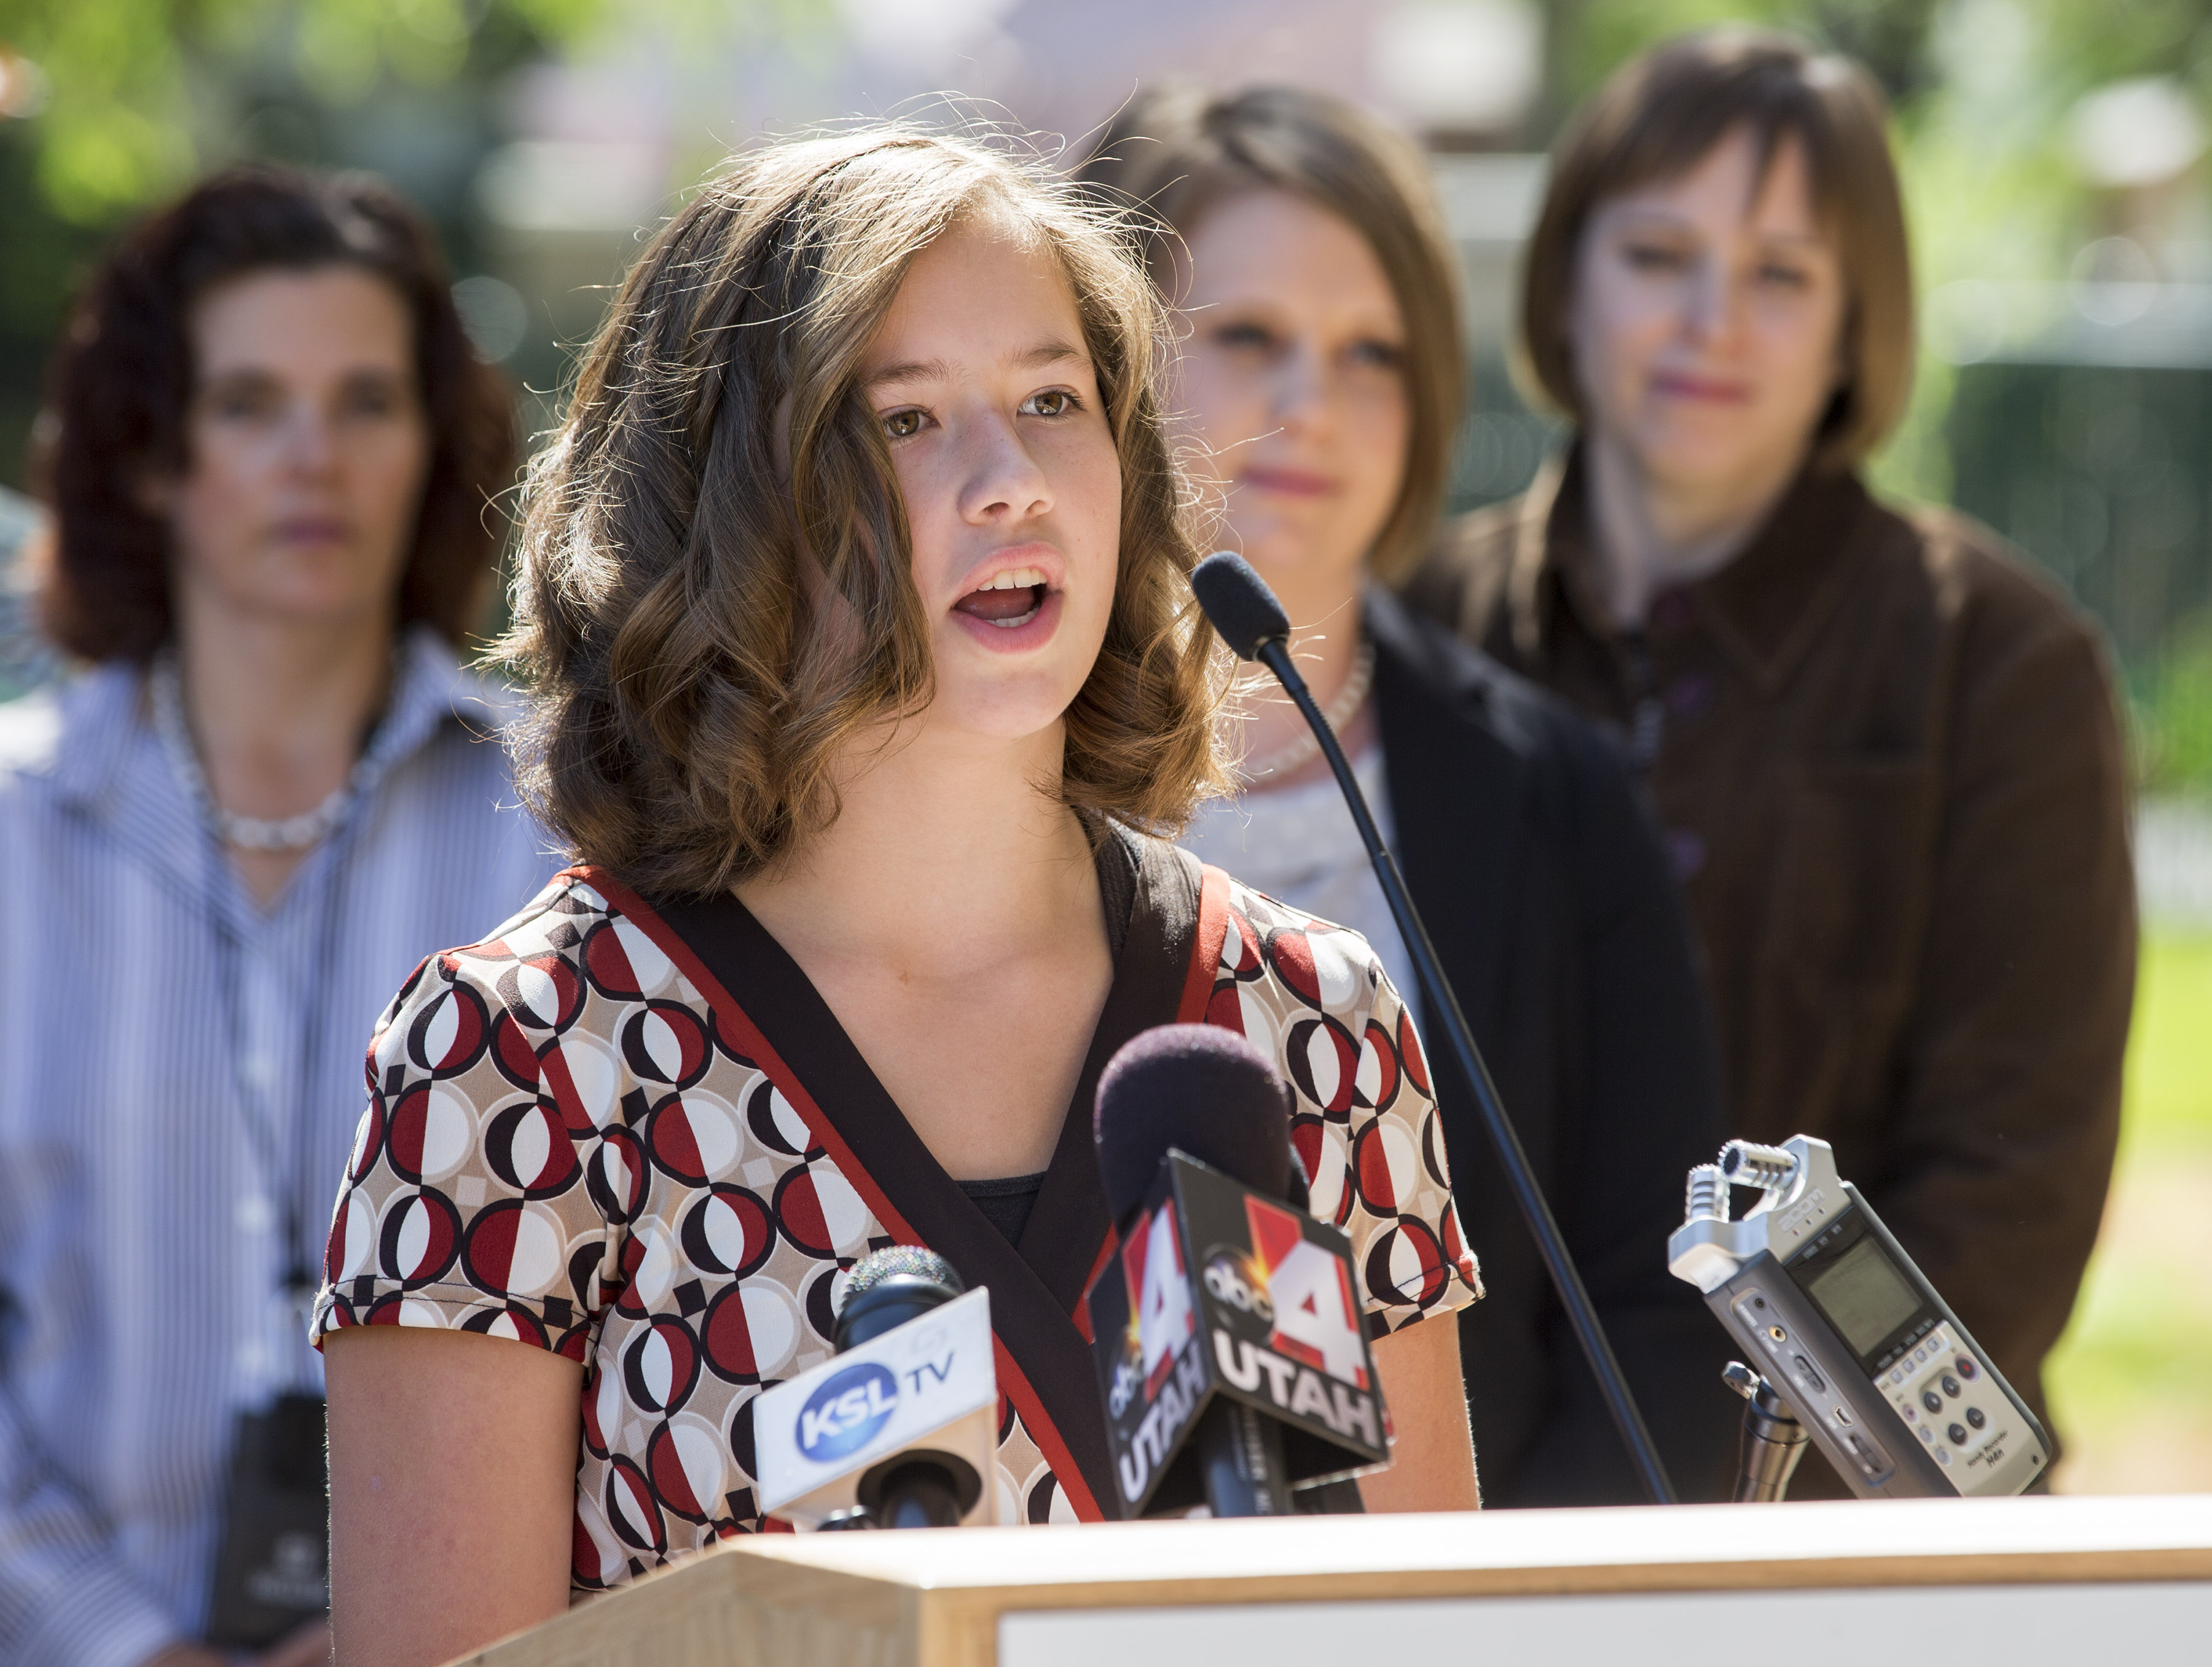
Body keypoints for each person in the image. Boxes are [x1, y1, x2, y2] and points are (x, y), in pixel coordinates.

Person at [318, 126, 1484, 1667]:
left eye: (1053, 400)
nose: (1009, 483)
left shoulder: (1304, 1026)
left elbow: (1432, 1633)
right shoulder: (517, 1063)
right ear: (726, 506)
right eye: (906, 419)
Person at [1405, 29, 2136, 1490]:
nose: (1710, 321)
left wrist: (1757, 1493)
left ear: (1858, 323)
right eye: (1660, 252)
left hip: (1849, 1527)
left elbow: (2013, 1178)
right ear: (1564, 278)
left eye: (1782, 274)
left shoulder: (1997, 663)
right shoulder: (1422, 632)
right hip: (1470, 1500)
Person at [1081, 86, 1738, 1507]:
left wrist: (1499, 1617)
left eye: (1372, 353)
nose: (1313, 404)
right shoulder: (964, 771)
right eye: (1249, 337)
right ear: (1098, 357)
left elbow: (1657, 1303)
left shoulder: (1556, 798)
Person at [0, 166, 549, 1667]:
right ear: (152, 459)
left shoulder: (575, 833)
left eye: (366, 400)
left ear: (434, 447)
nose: (315, 453)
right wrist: (125, 1646)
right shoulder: (10, 834)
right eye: (250, 402)